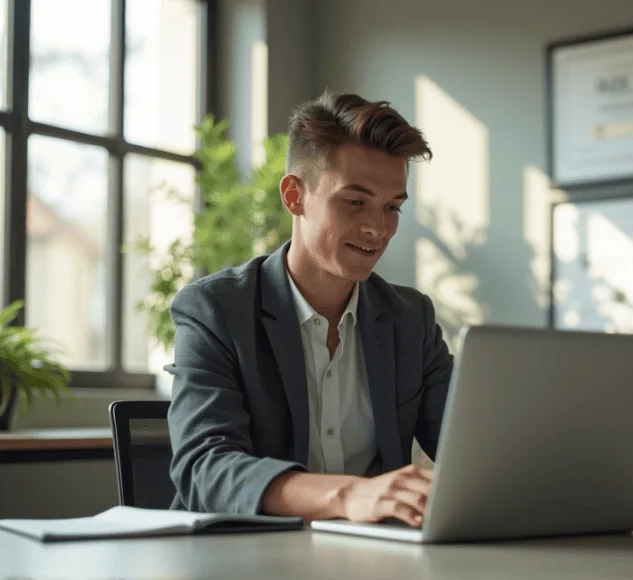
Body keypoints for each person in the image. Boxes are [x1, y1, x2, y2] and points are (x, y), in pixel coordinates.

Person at [164, 91, 452, 528]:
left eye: (392, 207)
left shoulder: (411, 319)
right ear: (294, 196)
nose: (378, 229)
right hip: (241, 552)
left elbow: (470, 450)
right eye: (355, 201)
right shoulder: (215, 310)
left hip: (372, 555)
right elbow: (205, 469)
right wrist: (350, 494)